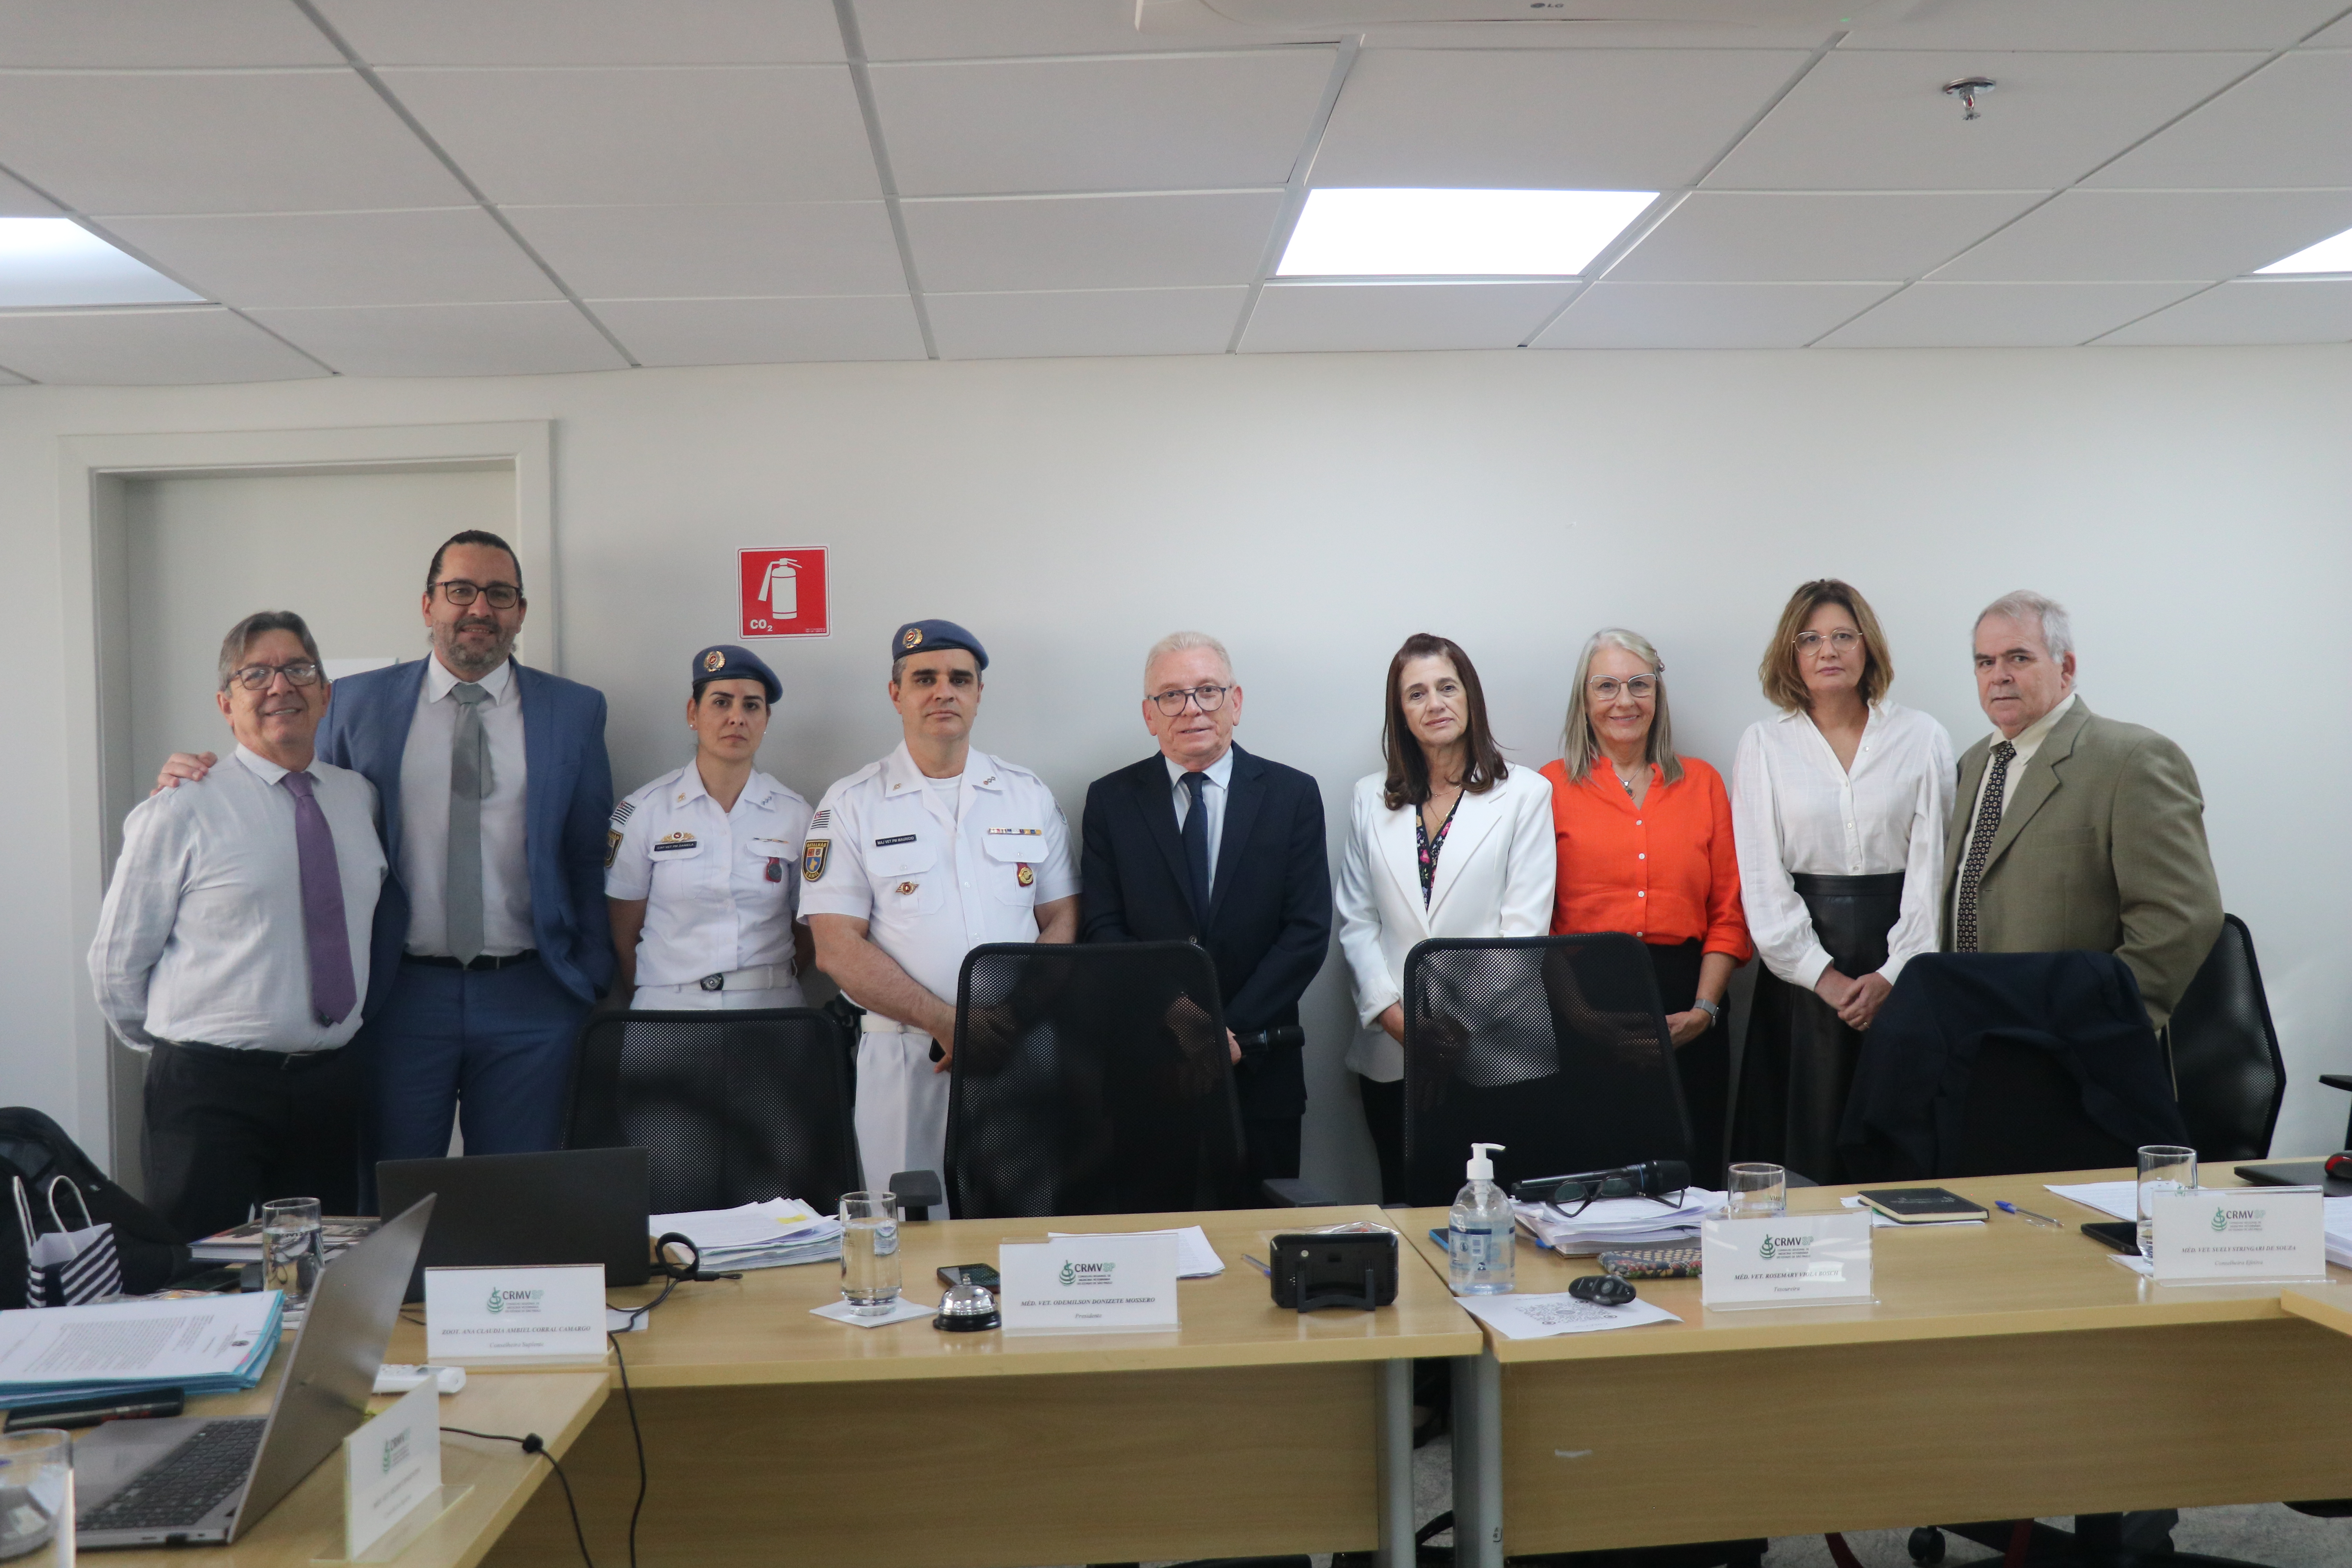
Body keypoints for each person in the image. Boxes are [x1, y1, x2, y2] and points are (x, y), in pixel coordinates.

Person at [154, 530, 615, 1161]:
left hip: (531, 997)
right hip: (398, 995)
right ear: (428, 606)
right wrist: (201, 775)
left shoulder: (575, 711)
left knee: (520, 1197)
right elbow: (301, 796)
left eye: (500, 594)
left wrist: (589, 976)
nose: (480, 609)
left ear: (521, 612)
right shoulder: (354, 703)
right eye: (460, 591)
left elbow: (588, 852)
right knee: (392, 1197)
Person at [92, 612, 386, 1239]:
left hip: (327, 1087)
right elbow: (117, 963)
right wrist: (181, 1047)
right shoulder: (180, 807)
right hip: (208, 1090)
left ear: (326, 692)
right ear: (227, 704)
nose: (281, 686)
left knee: (316, 1276)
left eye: (299, 669)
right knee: (192, 1275)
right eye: (256, 674)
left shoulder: (358, 797)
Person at [801, 621, 1079, 1201]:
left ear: (979, 694)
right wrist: (947, 1022)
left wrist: (1010, 1017)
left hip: (1019, 1046)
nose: (943, 692)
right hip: (906, 1057)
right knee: (910, 1233)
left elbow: (1063, 919)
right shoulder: (851, 804)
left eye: (960, 679)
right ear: (896, 693)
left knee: (1024, 1218)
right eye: (924, 678)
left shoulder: (1028, 794)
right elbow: (836, 947)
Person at [1079, 631, 1332, 1187]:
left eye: (1207, 691)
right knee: (1154, 1244)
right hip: (1149, 1064)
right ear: (1150, 715)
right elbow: (1102, 930)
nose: (1191, 708)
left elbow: (1307, 931)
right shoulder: (1110, 801)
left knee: (1258, 1250)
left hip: (1262, 1064)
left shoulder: (1293, 795)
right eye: (1171, 696)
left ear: (1235, 703)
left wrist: (1229, 1033)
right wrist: (1187, 1022)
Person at [1728, 581, 1952, 1183]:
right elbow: (1762, 878)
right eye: (1810, 639)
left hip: (1903, 972)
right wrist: (1823, 980)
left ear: (1867, 648)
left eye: (1842, 636)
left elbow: (1934, 876)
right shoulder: (1764, 745)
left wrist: (1893, 975)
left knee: (1898, 1155)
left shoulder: (1923, 737)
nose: (1828, 651)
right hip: (1802, 982)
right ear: (1791, 655)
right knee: (1805, 1161)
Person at [1335, 634, 1553, 1203]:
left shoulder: (1527, 795)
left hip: (1494, 1051)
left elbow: (1522, 935)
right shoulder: (1368, 799)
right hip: (1394, 1051)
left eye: (1446, 687)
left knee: (1495, 1218)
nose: (1434, 703)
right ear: (1401, 714)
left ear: (1470, 698)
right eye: (1416, 694)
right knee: (1406, 1209)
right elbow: (1357, 922)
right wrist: (1396, 1020)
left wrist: (1452, 1031)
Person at [1943, 590, 2222, 1030]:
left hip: (2076, 1052)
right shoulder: (1971, 765)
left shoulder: (2133, 760)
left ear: (2066, 668)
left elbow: (2181, 918)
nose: (1998, 676)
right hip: (1968, 1033)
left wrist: (2096, 1020)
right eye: (1985, 662)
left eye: (2018, 658)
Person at [1541, 629, 1751, 1186]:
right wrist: (1585, 1019)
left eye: (1639, 684)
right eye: (1606, 686)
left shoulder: (1703, 783)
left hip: (1690, 1003)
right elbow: (1536, 925)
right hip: (1583, 1005)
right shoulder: (1548, 788)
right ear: (1584, 701)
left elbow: (1729, 913)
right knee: (1592, 1178)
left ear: (1658, 695)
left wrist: (1704, 1013)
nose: (1624, 701)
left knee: (1689, 1175)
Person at [607, 645, 815, 1010]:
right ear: (693, 713)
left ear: (766, 719)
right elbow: (623, 934)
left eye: (751, 706)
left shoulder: (795, 815)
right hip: (669, 1010)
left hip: (769, 1009)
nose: (737, 718)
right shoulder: (645, 811)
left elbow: (810, 929)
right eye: (721, 703)